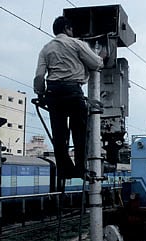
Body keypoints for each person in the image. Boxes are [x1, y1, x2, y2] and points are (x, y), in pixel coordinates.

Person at [33, 16, 104, 179]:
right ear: (66, 28)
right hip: (73, 91)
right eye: (71, 29)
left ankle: (64, 171)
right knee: (79, 133)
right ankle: (80, 169)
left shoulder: (46, 49)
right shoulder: (76, 43)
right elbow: (96, 63)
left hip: (53, 93)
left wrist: (41, 93)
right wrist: (102, 56)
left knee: (59, 135)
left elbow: (39, 76)